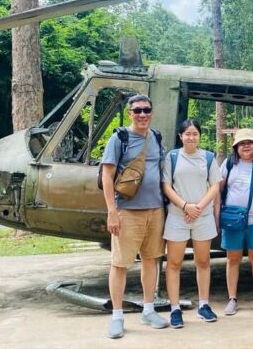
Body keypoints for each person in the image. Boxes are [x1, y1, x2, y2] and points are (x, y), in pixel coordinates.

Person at [100, 94, 168, 339]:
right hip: (127, 211)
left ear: (151, 111)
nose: (142, 115)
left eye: (146, 110)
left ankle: (148, 309)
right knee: (120, 263)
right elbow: (107, 176)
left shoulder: (157, 137)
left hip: (155, 209)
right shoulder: (120, 138)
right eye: (137, 110)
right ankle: (117, 315)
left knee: (151, 260)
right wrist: (112, 211)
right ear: (130, 113)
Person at [162, 119, 222, 328]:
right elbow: (167, 186)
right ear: (181, 136)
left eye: (195, 133)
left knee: (203, 262)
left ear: (199, 136)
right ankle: (175, 308)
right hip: (178, 216)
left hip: (202, 217)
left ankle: (204, 305)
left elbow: (215, 186)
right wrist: (185, 206)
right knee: (174, 263)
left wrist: (197, 208)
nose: (191, 137)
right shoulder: (172, 157)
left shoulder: (208, 157)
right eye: (187, 133)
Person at [217, 128, 253, 316]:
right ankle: (232, 298)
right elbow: (218, 189)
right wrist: (216, 214)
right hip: (232, 220)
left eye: (249, 143)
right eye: (241, 143)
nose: (246, 146)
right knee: (233, 259)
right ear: (236, 147)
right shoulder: (229, 164)